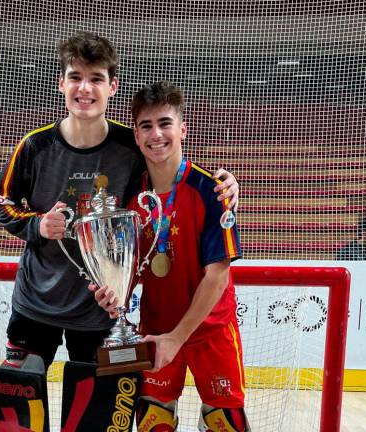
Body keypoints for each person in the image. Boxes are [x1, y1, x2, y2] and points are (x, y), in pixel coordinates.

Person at [0, 32, 240, 371]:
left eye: (96, 79)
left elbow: (167, 167)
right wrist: (37, 224)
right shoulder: (34, 146)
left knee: (94, 416)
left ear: (113, 86)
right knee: (19, 412)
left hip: (102, 309)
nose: (85, 89)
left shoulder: (130, 146)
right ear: (61, 83)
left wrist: (222, 184)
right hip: (36, 303)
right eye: (76, 77)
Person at [91, 81, 249, 431]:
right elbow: (127, 268)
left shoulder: (213, 190)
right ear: (136, 135)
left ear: (182, 130)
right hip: (155, 331)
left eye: (165, 123)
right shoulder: (130, 197)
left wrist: (177, 338)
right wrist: (109, 292)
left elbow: (217, 275)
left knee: (224, 421)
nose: (156, 134)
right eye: (146, 126)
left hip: (211, 331)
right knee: (154, 421)